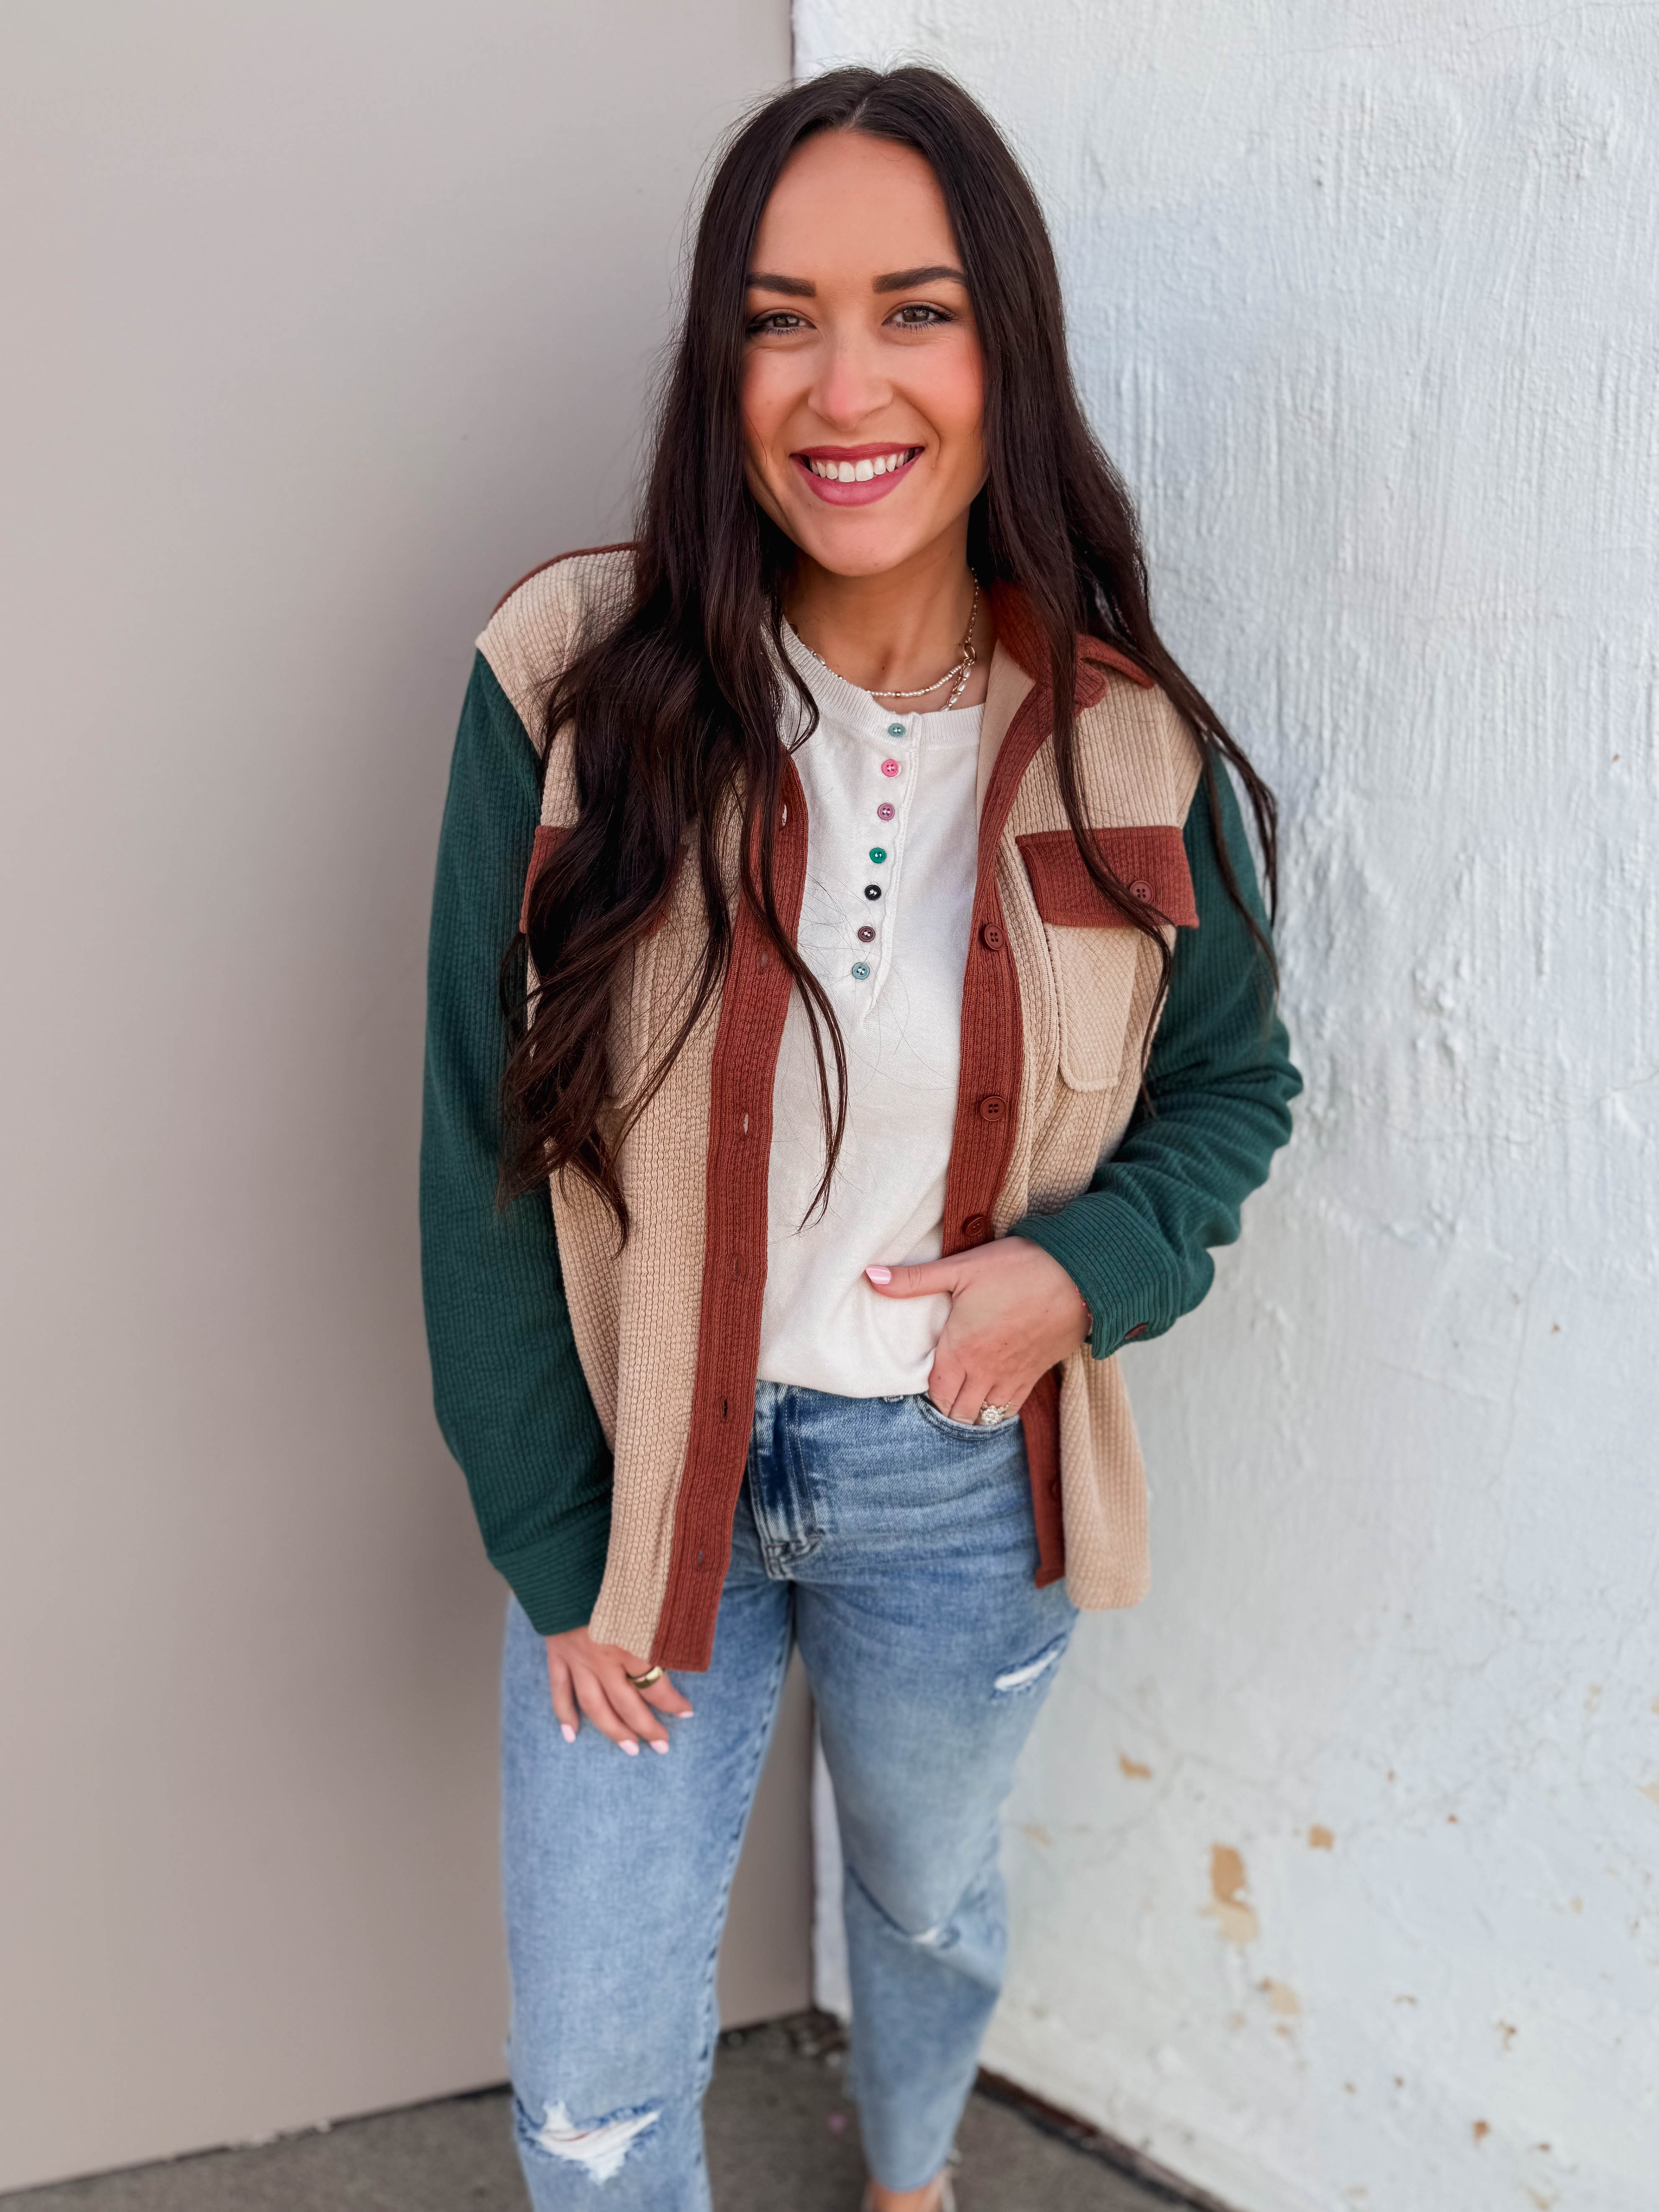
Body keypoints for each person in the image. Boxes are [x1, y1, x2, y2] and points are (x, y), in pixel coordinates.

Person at [421, 64, 1299, 2212]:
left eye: (914, 310)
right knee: (592, 2095)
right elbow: (471, 1134)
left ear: (1007, 349)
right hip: (648, 1489)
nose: (842, 385)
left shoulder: (1126, 740)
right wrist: (558, 1538)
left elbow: (1234, 1086)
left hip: (957, 1489)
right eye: (776, 319)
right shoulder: (567, 680)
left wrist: (1077, 1272)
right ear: (718, 368)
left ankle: (910, 2171)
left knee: (922, 1900)